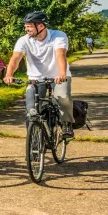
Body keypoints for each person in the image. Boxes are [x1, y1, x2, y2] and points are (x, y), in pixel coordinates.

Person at [4, 11, 75, 139]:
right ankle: (35, 140)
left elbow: (60, 54)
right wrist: (9, 74)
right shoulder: (24, 40)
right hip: (36, 79)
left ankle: (66, 123)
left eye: (29, 26)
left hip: (58, 76)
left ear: (41, 26)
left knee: (62, 97)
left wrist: (62, 73)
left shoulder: (58, 36)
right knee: (31, 109)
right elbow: (16, 58)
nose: (26, 29)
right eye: (25, 26)